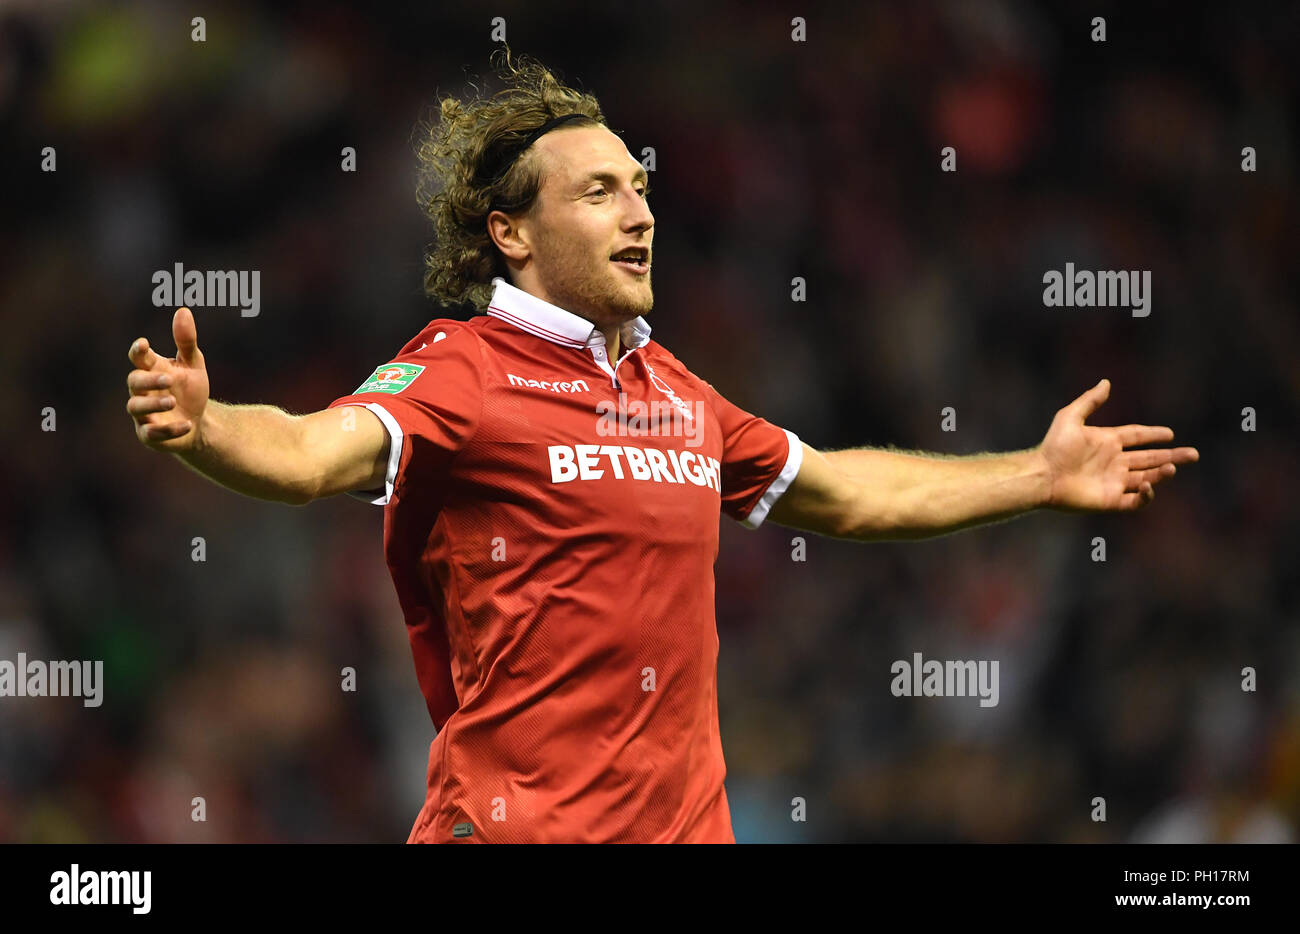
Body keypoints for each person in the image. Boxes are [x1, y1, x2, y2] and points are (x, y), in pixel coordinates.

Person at [124, 50, 1199, 843]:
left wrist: (1038, 474)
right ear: (512, 233)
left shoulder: (675, 390)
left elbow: (845, 492)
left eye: (639, 186)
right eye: (599, 192)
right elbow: (315, 454)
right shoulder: (464, 366)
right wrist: (209, 428)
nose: (639, 212)